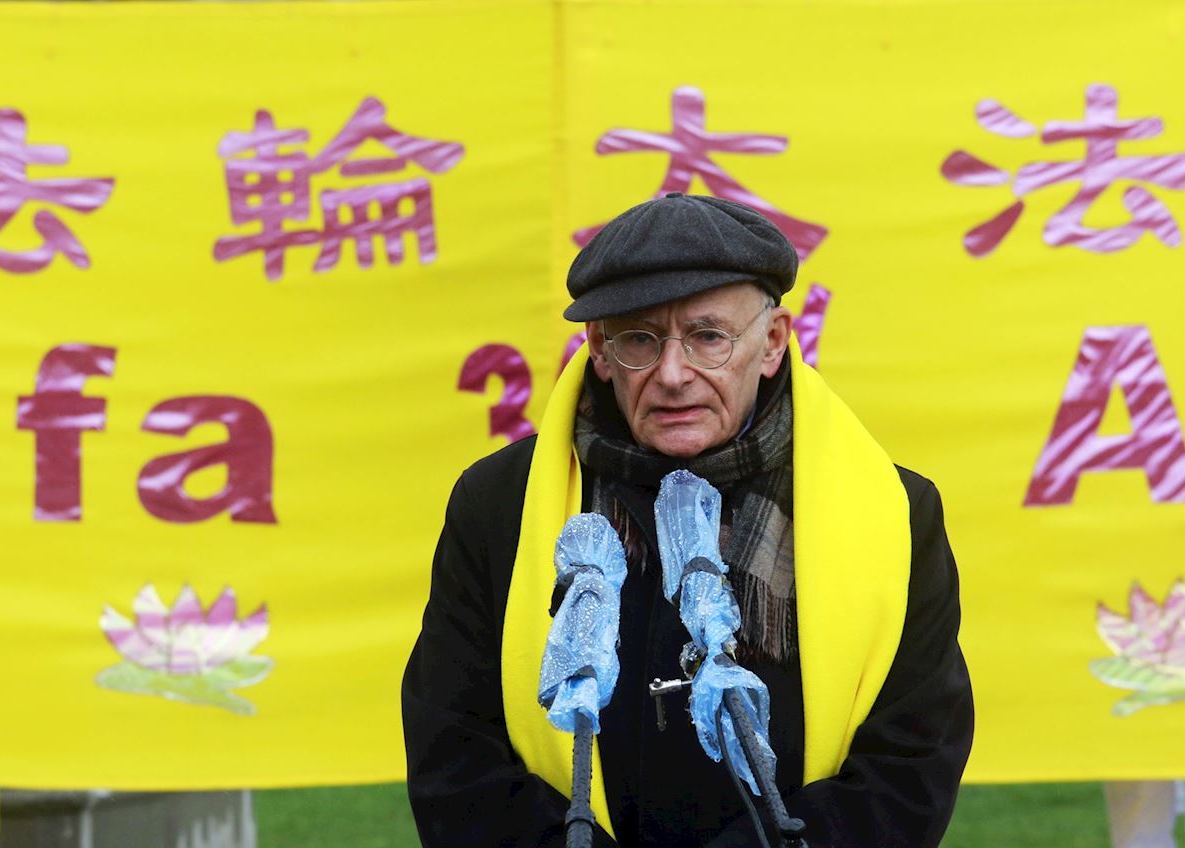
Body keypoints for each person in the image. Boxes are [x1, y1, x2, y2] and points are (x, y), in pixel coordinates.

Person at [402, 193, 974, 847]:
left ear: (773, 342)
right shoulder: (499, 502)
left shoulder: (892, 509)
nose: (673, 374)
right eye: (639, 340)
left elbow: (910, 763)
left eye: (708, 337)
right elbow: (455, 754)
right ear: (599, 350)